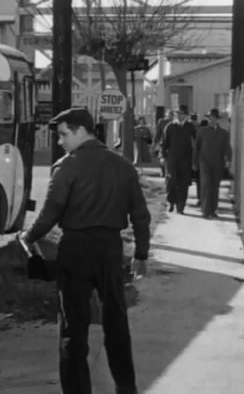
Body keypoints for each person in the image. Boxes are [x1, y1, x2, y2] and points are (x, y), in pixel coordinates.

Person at [20, 107, 150, 394]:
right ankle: (126, 387)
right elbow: (140, 215)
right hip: (110, 249)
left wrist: (28, 237)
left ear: (81, 130)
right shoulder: (124, 166)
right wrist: (141, 254)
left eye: (64, 134)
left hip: (75, 250)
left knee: (72, 330)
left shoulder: (67, 166)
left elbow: (49, 214)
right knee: (116, 322)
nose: (59, 141)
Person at [193, 108, 232, 218]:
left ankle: (213, 210)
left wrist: (228, 160)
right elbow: (196, 148)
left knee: (215, 187)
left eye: (214, 117)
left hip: (217, 163)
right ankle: (205, 210)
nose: (212, 119)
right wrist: (194, 162)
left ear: (217, 119)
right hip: (204, 163)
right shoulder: (201, 131)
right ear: (208, 118)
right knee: (206, 185)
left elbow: (227, 148)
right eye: (210, 117)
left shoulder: (223, 133)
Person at [161, 105, 196, 214]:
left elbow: (196, 143)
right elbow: (164, 143)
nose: (180, 116)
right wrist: (162, 156)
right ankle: (171, 202)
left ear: (186, 115)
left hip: (186, 159)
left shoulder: (190, 127)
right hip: (172, 158)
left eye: (182, 114)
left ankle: (181, 206)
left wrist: (194, 159)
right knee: (171, 181)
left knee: (184, 183)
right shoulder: (170, 127)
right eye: (178, 113)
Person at [192, 117, 208, 207]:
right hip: (201, 161)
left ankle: (200, 199)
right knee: (201, 181)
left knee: (199, 182)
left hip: (199, 161)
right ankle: (202, 199)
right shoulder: (201, 133)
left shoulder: (198, 133)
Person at [153, 109, 174, 177]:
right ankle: (162, 171)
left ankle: (169, 172)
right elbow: (158, 133)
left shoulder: (175, 123)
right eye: (169, 115)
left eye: (172, 115)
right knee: (162, 157)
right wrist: (155, 142)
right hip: (162, 142)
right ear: (166, 115)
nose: (170, 116)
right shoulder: (162, 122)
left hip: (172, 143)